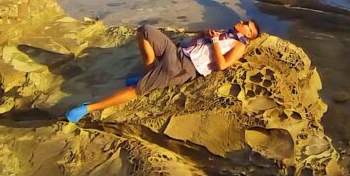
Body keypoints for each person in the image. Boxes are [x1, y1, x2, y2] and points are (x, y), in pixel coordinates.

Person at [65, 19, 261, 123]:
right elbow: (192, 43)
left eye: (246, 25)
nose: (242, 22)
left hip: (184, 68)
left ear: (249, 35)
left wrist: (216, 42)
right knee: (145, 30)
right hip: (178, 52)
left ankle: (86, 109)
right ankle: (149, 74)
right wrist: (205, 34)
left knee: (136, 90)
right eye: (244, 21)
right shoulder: (224, 32)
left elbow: (222, 65)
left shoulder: (239, 45)